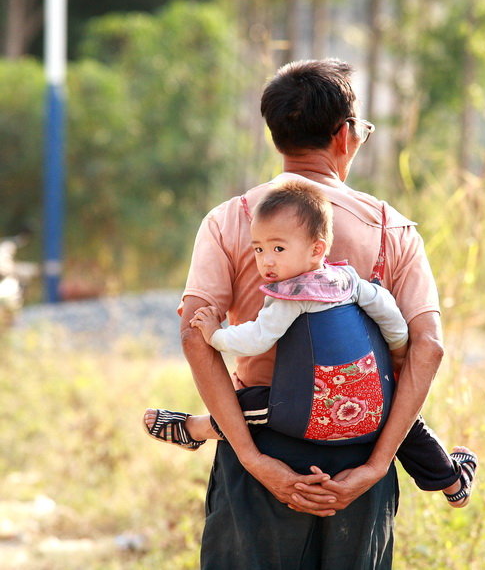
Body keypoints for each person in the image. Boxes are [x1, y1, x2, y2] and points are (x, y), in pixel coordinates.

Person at [163, 58, 466, 569]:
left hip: (259, 447)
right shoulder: (394, 230)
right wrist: (374, 466)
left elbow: (196, 336)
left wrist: (254, 460)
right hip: (360, 447)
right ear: (345, 135)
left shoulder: (232, 221)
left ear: (277, 136)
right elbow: (428, 347)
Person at [143, 178, 478, 509]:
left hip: (309, 409)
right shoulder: (348, 279)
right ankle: (452, 482)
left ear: (317, 248)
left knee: (248, 405)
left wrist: (215, 334)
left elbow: (256, 339)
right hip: (370, 408)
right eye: (258, 249)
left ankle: (196, 428)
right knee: (410, 428)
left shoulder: (292, 295)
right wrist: (399, 347)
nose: (266, 261)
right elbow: (388, 309)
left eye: (278, 249)